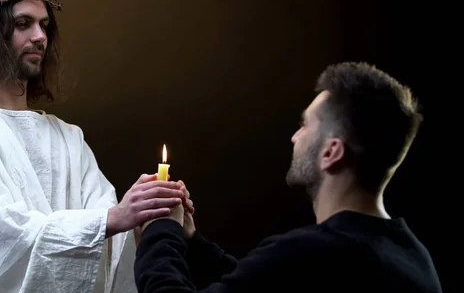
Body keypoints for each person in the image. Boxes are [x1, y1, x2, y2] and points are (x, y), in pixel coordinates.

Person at [0, 0, 191, 293]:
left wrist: (148, 219)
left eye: (44, 25)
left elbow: (110, 239)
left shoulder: (68, 139)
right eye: (23, 23)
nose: (40, 36)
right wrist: (115, 217)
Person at [134, 62, 443, 292]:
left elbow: (279, 271)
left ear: (330, 152)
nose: (295, 137)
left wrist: (160, 229)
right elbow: (260, 281)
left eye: (305, 125)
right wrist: (193, 243)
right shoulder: (414, 257)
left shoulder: (311, 254)